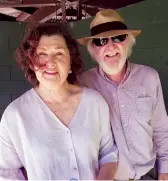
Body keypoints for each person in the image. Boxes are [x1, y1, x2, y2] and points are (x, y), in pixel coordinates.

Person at [0, 23, 118, 180]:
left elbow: (108, 152)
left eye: (59, 53)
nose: (50, 62)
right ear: (31, 62)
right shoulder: (16, 115)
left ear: (70, 61)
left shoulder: (94, 103)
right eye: (42, 54)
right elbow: (6, 171)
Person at [77, 9, 168, 180]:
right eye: (101, 41)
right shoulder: (82, 85)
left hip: (148, 175)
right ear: (93, 50)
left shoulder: (149, 77)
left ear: (129, 42)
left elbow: (161, 128)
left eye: (118, 38)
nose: (110, 46)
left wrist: (165, 169)